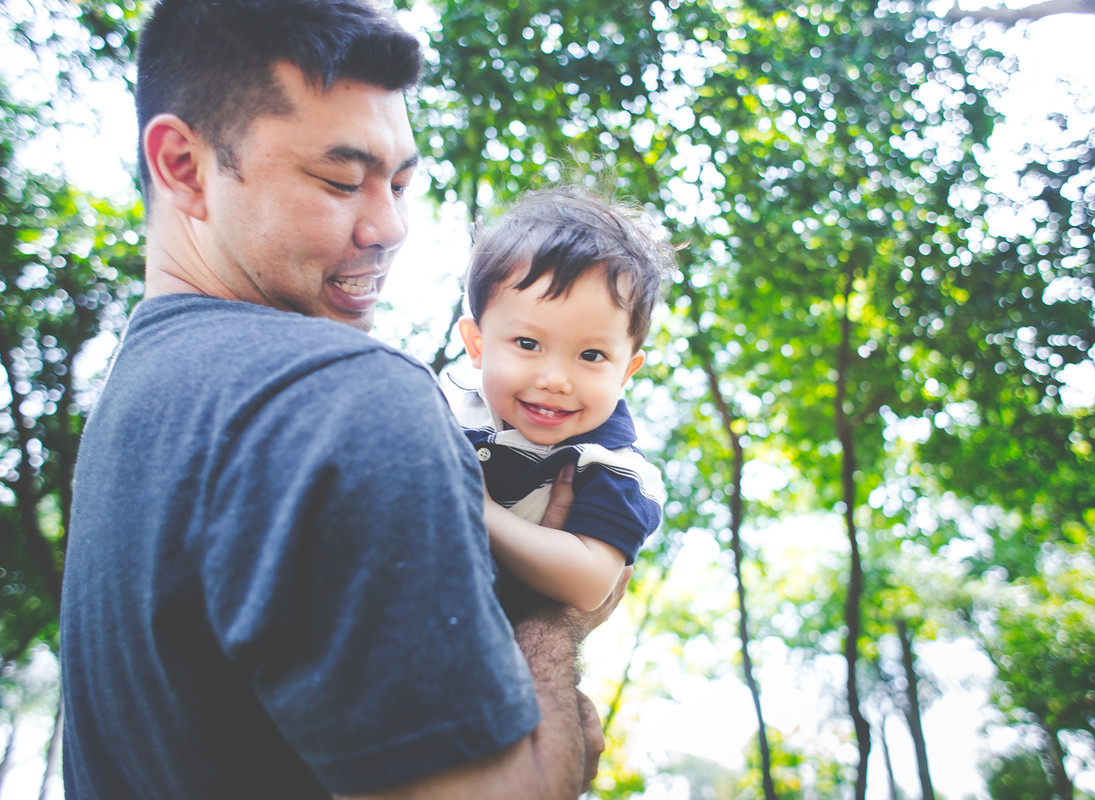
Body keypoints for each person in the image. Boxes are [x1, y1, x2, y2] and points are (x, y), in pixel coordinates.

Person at [59, 1, 626, 798]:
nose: (391, 225)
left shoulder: (140, 407)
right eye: (340, 181)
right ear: (184, 166)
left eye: (399, 182)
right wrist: (553, 628)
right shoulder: (341, 398)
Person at [456, 188, 672, 614]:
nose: (555, 380)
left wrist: (477, 509)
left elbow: (590, 583)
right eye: (528, 343)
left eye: (591, 355)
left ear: (627, 371)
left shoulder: (613, 466)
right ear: (477, 343)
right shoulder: (444, 405)